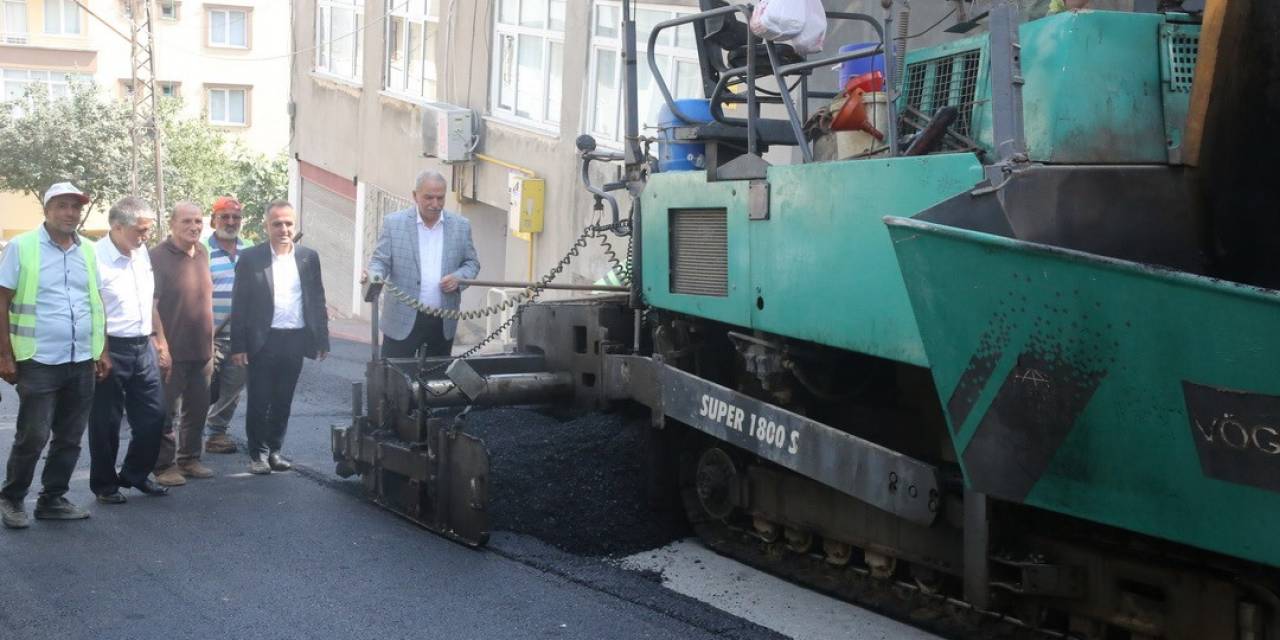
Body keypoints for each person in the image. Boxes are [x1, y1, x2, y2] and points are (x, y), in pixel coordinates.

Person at [0, 182, 109, 528]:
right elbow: (2, 299)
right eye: (62, 206)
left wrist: (102, 348)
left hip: (80, 360)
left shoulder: (89, 252)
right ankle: (13, 498)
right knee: (33, 434)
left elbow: (95, 302)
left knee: (70, 436)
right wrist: (4, 354)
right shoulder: (22, 247)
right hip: (39, 359)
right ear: (47, 210)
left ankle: (52, 498)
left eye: (75, 208)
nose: (69, 213)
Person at [229, 201, 329, 475]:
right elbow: (239, 304)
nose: (283, 229)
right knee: (260, 399)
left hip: (294, 338)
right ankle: (257, 454)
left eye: (288, 223)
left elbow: (317, 299)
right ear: (266, 226)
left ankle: (274, 450)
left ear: (294, 225)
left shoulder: (308, 257)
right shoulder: (251, 259)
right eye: (277, 224)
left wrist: (322, 339)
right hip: (263, 340)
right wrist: (238, 346)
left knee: (283, 399)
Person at [88, 197, 171, 503]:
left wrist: (160, 341)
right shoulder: (94, 256)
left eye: (148, 230)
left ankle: (135, 474)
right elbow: (94, 309)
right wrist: (102, 351)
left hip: (142, 344)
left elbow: (149, 302)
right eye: (140, 230)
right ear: (117, 226)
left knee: (155, 415)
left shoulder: (141, 253)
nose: (145, 236)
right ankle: (105, 486)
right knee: (105, 422)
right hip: (110, 347)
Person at [365, 170, 480, 358]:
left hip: (442, 321)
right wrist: (373, 275)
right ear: (415, 196)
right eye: (429, 197)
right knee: (395, 381)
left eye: (440, 198)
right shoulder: (394, 224)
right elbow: (380, 261)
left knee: (436, 382)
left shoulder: (461, 226)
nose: (435, 204)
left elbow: (472, 263)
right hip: (401, 319)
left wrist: (459, 278)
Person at [150, 202, 215, 486]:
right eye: (187, 221)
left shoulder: (202, 252)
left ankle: (189, 459)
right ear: (172, 224)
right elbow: (151, 306)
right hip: (171, 351)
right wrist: (161, 345)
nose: (194, 227)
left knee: (198, 408)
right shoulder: (155, 257)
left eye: (198, 221)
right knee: (165, 411)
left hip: (202, 350)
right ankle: (163, 466)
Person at [204, 196, 251, 454]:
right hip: (208, 335)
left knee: (232, 388)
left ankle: (216, 434)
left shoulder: (251, 251)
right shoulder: (201, 250)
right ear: (214, 220)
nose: (230, 222)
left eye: (235, 217)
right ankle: (184, 435)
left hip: (241, 336)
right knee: (201, 389)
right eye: (224, 217)